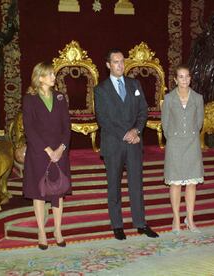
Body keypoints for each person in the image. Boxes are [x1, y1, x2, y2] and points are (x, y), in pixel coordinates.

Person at [94, 49, 159, 240]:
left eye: (122, 61)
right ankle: (117, 225)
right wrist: (125, 133)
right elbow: (103, 119)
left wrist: (136, 130)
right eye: (116, 62)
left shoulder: (134, 84)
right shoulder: (101, 89)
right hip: (113, 143)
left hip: (134, 142)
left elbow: (143, 111)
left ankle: (140, 223)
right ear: (108, 65)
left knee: (136, 185)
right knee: (114, 185)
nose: (120, 65)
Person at [22, 62, 71, 250]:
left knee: (58, 192)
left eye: (53, 74)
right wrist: (48, 150)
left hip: (60, 153)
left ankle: (57, 230)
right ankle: (42, 231)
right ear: (40, 77)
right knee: (39, 192)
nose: (53, 77)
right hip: (39, 153)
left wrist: (61, 148)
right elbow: (30, 128)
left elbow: (67, 126)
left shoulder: (60, 97)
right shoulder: (30, 99)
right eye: (50, 74)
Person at [161, 64, 204, 234]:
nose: (184, 80)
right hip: (175, 144)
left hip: (192, 144)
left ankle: (190, 219)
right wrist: (173, 137)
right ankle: (176, 219)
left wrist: (191, 135)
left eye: (187, 76)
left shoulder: (198, 98)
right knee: (176, 183)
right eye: (181, 76)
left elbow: (199, 122)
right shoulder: (169, 99)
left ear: (190, 78)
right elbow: (165, 124)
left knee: (192, 183)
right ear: (175, 79)